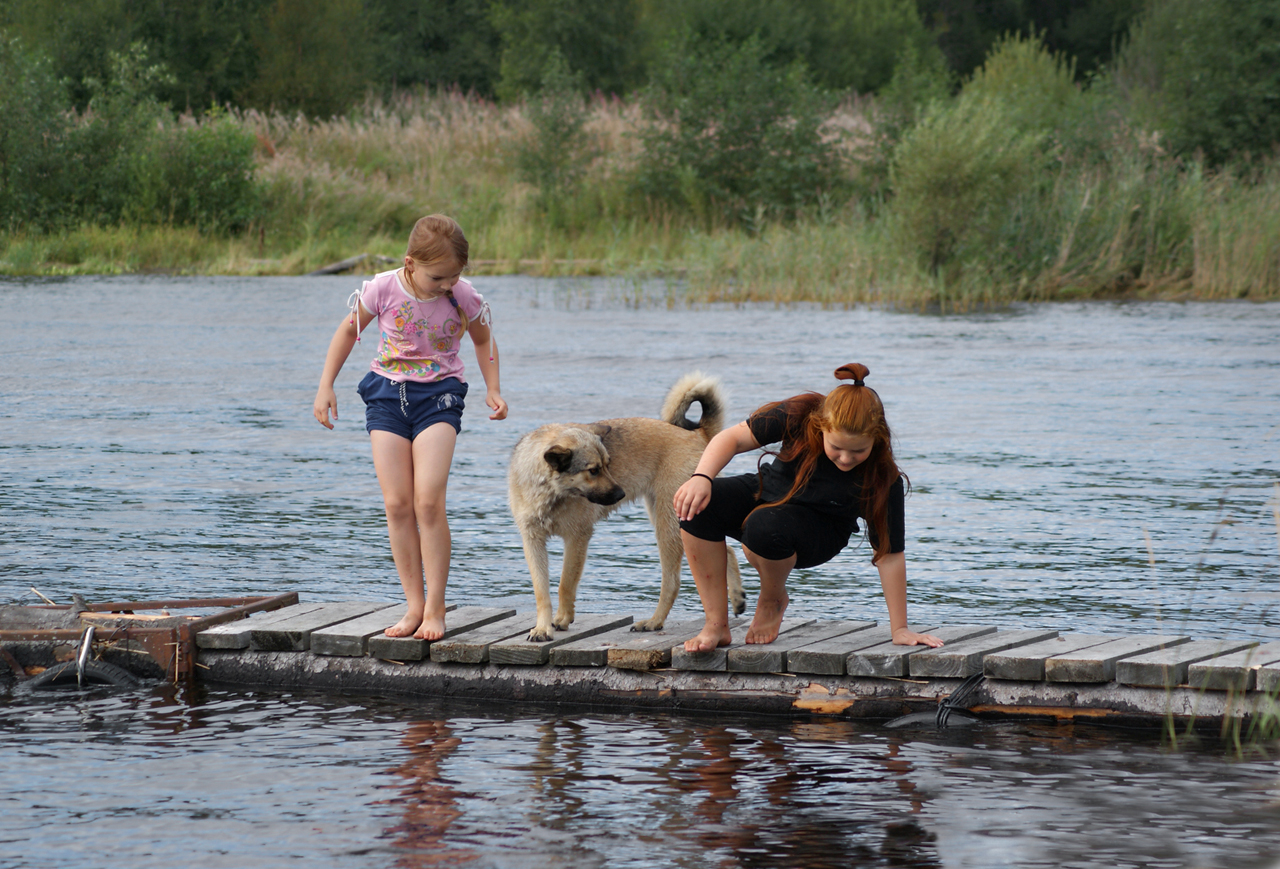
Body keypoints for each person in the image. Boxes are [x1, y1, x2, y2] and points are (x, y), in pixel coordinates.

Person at [313, 214, 507, 641]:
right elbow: (347, 333)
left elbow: (482, 338)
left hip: (439, 394)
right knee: (398, 504)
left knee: (427, 502)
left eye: (455, 276)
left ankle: (436, 609)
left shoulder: (463, 296)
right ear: (410, 264)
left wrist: (493, 388)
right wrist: (326, 385)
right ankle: (413, 606)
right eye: (438, 277)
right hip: (386, 395)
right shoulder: (382, 288)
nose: (447, 284)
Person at [673, 363, 942, 653]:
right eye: (837, 447)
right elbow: (734, 438)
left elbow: (890, 556)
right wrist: (702, 477)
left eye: (858, 451)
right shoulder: (801, 413)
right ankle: (715, 626)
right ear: (822, 427)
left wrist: (899, 628)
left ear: (876, 439)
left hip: (819, 531)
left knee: (764, 526)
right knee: (696, 503)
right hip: (768, 493)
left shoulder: (882, 478)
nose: (846, 458)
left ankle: (773, 598)